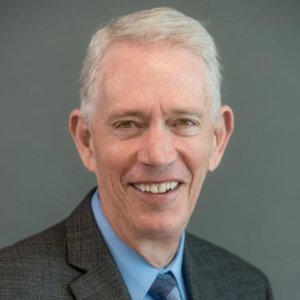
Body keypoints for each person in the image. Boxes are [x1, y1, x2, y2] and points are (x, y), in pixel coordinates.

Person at [0, 7, 273, 300]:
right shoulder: (10, 287)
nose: (158, 155)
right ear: (86, 140)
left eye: (183, 122)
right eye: (128, 124)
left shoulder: (248, 287)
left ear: (218, 139)